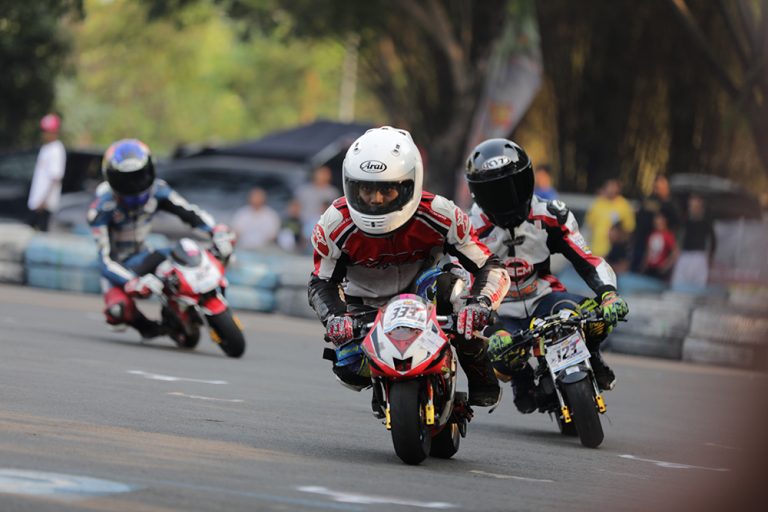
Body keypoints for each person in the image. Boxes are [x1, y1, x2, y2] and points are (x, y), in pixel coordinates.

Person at [308, 126, 511, 408]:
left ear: (409, 185)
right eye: (366, 189)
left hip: (424, 294)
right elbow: (321, 281)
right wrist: (335, 317)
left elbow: (489, 264)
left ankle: (479, 371)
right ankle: (383, 386)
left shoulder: (440, 214)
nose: (376, 199)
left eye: (387, 190)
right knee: (350, 369)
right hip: (364, 304)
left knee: (452, 291)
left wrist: (481, 304)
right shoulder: (334, 224)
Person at [463, 138, 628, 413]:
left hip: (544, 298)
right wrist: (489, 328)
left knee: (591, 316)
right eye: (495, 193)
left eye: (512, 187)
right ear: (478, 194)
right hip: (499, 312)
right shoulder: (469, 229)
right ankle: (521, 377)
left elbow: (587, 260)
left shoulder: (552, 214)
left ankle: (592, 356)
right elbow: (467, 289)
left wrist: (609, 294)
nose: (507, 199)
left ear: (527, 180)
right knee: (498, 353)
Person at [87, 139, 235, 339]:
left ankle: (199, 298)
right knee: (117, 311)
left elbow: (189, 212)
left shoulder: (158, 191)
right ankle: (150, 328)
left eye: (139, 176)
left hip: (144, 256)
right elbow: (104, 260)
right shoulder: (101, 209)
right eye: (125, 179)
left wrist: (215, 230)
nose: (134, 185)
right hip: (119, 269)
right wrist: (132, 282)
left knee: (188, 250)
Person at [631, 174, 680, 272]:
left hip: (660, 243)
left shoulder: (671, 204)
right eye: (656, 185)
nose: (657, 188)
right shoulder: (649, 200)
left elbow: (675, 223)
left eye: (660, 185)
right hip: (642, 240)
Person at [27, 113, 66, 231]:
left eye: (48, 131)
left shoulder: (56, 149)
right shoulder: (45, 148)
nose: (45, 134)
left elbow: (55, 177)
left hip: (44, 204)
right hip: (37, 201)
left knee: (40, 234)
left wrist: (43, 201)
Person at [670, 194, 716, 288]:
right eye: (691, 206)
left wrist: (710, 256)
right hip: (684, 255)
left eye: (695, 206)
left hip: (699, 257)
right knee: (678, 283)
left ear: (701, 207)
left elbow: (713, 241)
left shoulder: (706, 223)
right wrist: (676, 250)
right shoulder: (684, 222)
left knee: (698, 285)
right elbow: (678, 238)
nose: (693, 208)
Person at [584, 179, 635, 258]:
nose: (611, 190)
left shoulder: (624, 205)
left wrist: (618, 235)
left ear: (618, 189)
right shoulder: (598, 203)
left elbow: (629, 230)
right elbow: (589, 225)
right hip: (595, 251)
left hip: (614, 253)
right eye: (609, 187)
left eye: (613, 187)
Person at [297, 164, 340, 241]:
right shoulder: (304, 190)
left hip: (322, 226)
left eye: (326, 174)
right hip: (302, 223)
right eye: (321, 173)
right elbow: (295, 207)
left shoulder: (332, 192)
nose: (323, 176)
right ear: (315, 174)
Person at [641, 212, 678, 282]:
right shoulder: (652, 235)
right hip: (649, 268)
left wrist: (666, 265)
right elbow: (647, 252)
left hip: (659, 269)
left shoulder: (668, 235)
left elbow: (675, 252)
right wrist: (643, 266)